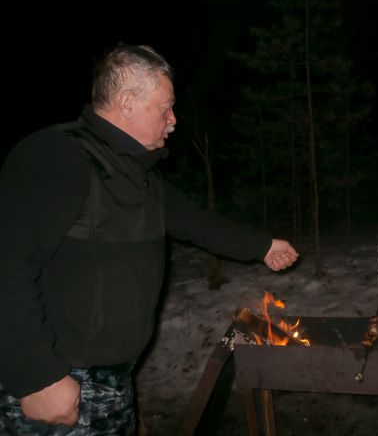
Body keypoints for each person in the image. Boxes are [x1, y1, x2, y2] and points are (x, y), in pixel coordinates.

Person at [0, 43, 299, 435]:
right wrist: (36, 376)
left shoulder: (137, 175)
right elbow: (7, 266)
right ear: (127, 102)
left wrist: (263, 246)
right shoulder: (58, 158)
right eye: (166, 108)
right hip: (59, 383)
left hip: (112, 382)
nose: (173, 120)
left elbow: (197, 222)